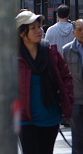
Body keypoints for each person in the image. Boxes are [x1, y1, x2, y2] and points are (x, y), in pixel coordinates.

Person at [16, 10, 74, 154]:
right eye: (33, 28)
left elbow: (66, 77)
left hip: (50, 116)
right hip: (25, 118)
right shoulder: (13, 57)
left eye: (39, 26)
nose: (39, 30)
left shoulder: (50, 52)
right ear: (22, 33)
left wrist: (67, 100)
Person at [62, 19, 83, 154]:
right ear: (73, 32)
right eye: (79, 30)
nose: (82, 33)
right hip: (76, 100)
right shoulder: (67, 50)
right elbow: (63, 77)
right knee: (78, 139)